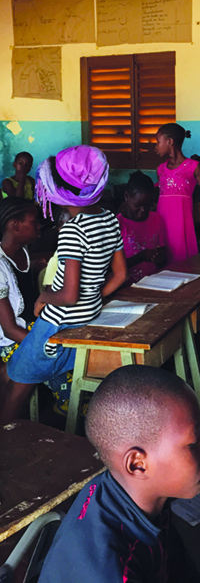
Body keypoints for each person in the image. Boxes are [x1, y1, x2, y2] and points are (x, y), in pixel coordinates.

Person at [37, 364, 200, 583]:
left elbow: (179, 569)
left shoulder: (128, 492)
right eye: (194, 441)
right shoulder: (111, 572)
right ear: (138, 465)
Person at [0, 145, 128, 424]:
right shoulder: (110, 220)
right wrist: (92, 297)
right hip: (86, 319)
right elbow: (119, 276)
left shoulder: (73, 229)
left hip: (56, 322)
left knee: (15, 389)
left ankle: (6, 451)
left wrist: (44, 297)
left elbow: (68, 296)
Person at [155, 124, 200, 264]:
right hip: (162, 222)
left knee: (182, 260)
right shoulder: (160, 169)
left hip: (181, 221)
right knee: (163, 257)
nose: (156, 146)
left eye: (158, 142)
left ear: (169, 142)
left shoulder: (193, 167)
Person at [0, 198, 40, 373]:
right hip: (13, 343)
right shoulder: (0, 266)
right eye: (34, 221)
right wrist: (45, 346)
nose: (39, 226)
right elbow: (10, 330)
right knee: (67, 370)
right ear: (15, 225)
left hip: (32, 331)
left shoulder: (23, 252)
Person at [117, 171, 166, 284]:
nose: (143, 209)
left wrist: (160, 256)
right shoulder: (118, 224)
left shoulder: (156, 219)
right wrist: (141, 257)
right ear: (126, 196)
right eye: (138, 205)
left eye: (148, 204)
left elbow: (162, 249)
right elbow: (113, 267)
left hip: (155, 282)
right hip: (127, 286)